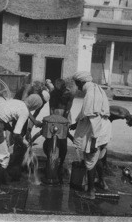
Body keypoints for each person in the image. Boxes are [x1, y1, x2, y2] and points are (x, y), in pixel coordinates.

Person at [0, 94, 44, 195]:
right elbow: (16, 134)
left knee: (1, 157)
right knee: (5, 160)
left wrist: (17, 135)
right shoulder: (24, 111)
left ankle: (0, 177)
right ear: (35, 106)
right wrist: (25, 143)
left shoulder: (17, 102)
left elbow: (4, 119)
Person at [69, 71, 112, 200]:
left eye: (77, 84)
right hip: (104, 130)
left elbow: (94, 119)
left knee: (90, 160)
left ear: (81, 82)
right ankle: (102, 183)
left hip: (96, 132)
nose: (78, 87)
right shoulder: (97, 88)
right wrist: (76, 124)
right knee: (98, 158)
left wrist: (93, 141)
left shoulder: (90, 94)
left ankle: (91, 192)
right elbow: (86, 113)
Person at [44, 78, 77, 176]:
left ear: (64, 87)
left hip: (64, 116)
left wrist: (64, 122)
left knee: (63, 140)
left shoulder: (69, 94)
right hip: (54, 114)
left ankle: (61, 164)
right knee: (50, 138)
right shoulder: (53, 93)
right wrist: (52, 119)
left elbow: (68, 109)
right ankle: (50, 161)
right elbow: (51, 107)